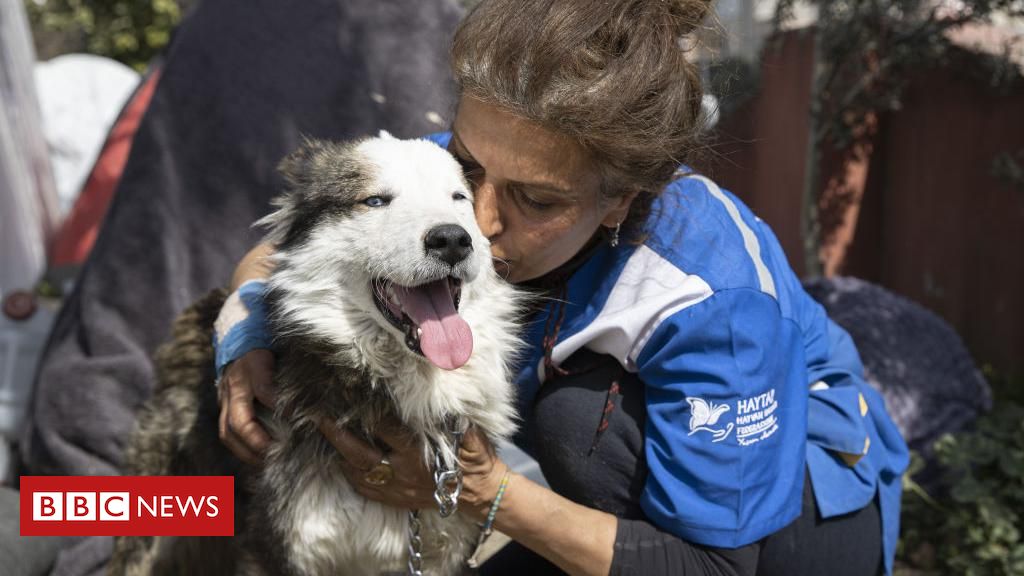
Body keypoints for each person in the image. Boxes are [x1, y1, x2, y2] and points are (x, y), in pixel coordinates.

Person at [215, 1, 910, 575]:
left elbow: (719, 565)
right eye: (466, 170)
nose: (477, 225)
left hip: (791, 526)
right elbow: (290, 244)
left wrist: (478, 492)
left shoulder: (714, 301)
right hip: (608, 516)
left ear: (619, 202)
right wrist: (243, 335)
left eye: (536, 202)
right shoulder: (501, 152)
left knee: (581, 421)